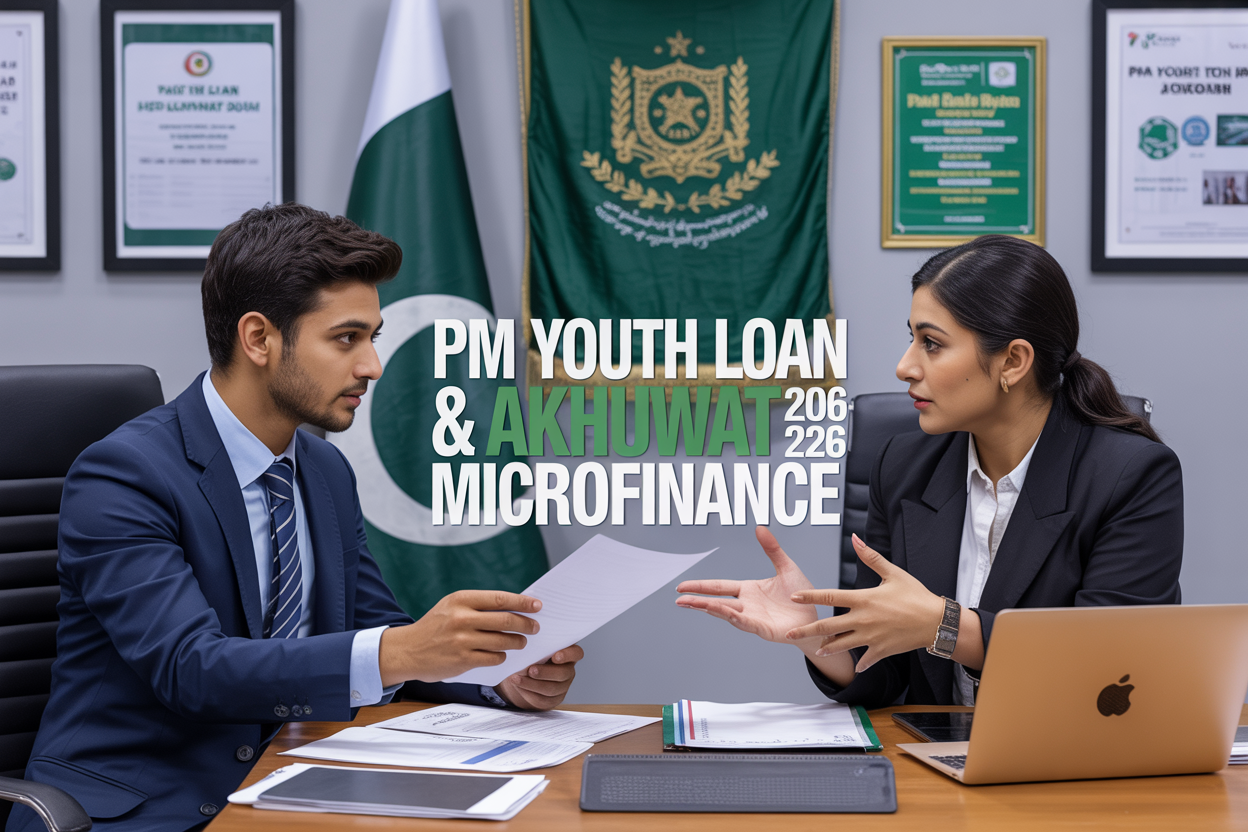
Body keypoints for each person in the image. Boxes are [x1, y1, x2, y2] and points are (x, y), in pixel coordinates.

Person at [9, 204, 582, 832]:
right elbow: (191, 670)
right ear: (259, 338)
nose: (372, 366)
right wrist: (404, 649)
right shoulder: (123, 474)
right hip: (141, 812)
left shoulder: (323, 468)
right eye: (346, 338)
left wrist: (496, 679)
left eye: (373, 337)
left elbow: (377, 631)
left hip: (289, 788)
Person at [676, 234, 1182, 709]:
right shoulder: (902, 466)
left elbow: (1106, 667)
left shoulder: (1132, 475)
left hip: (1062, 758)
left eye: (932, 343)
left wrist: (945, 625)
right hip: (930, 760)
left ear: (1013, 361)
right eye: (912, 339)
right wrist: (812, 636)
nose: (905, 366)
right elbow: (882, 674)